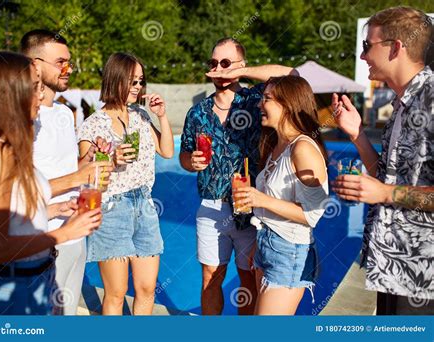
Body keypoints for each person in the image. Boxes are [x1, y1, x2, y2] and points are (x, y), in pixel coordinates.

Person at [0, 51, 102, 315]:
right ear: (9, 95)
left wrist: (56, 210)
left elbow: (16, 218)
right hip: (16, 289)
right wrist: (65, 234)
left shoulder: (11, 148)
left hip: (40, 280)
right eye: (34, 88)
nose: (41, 96)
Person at [179, 37, 296, 315]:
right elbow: (184, 154)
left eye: (226, 63)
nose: (219, 69)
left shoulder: (257, 101)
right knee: (210, 278)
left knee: (249, 280)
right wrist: (190, 161)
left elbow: (292, 75)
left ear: (241, 66)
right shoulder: (197, 113)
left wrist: (240, 72)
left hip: (251, 206)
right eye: (214, 63)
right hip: (211, 206)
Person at [332, 6, 433, 314]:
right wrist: (358, 136)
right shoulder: (403, 103)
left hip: (423, 274)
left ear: (396, 47)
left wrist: (385, 194)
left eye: (368, 46)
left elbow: (387, 190)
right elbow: (389, 178)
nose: (363, 56)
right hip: (391, 268)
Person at [20, 30, 113, 315]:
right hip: (41, 240)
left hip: (75, 234)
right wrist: (77, 177)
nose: (68, 69)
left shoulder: (63, 112)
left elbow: (64, 165)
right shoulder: (22, 118)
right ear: (35, 65)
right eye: (61, 62)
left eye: (69, 62)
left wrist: (87, 160)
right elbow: (16, 189)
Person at [77, 52, 174, 315]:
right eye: (132, 82)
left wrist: (162, 116)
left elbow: (166, 151)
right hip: (111, 209)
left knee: (146, 290)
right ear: (116, 79)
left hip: (145, 206)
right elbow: (85, 175)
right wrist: (111, 157)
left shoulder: (141, 116)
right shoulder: (93, 125)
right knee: (116, 294)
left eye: (141, 81)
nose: (138, 87)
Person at [232, 76, 328, 315]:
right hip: (267, 244)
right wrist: (259, 242)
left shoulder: (303, 148)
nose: (259, 104)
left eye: (267, 98)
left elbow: (313, 214)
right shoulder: (277, 145)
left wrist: (260, 199)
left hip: (290, 251)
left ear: (288, 104)